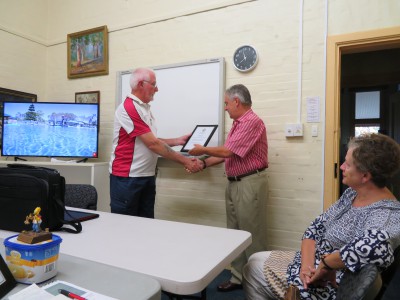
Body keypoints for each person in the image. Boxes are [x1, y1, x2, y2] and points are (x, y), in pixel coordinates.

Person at [242, 133, 400, 300]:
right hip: (315, 263)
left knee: (252, 269)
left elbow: (375, 246)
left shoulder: (388, 215)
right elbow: (314, 228)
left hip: (330, 285)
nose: (342, 167)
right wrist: (306, 266)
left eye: (348, 164)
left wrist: (326, 264)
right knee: (255, 258)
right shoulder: (352, 194)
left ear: (365, 176)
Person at [188, 84, 268, 292]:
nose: (225, 108)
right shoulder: (238, 123)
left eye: (226, 103)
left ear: (236, 102)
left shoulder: (252, 121)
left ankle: (258, 283)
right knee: (235, 234)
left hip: (249, 183)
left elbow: (227, 152)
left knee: (252, 234)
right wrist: (204, 163)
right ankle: (238, 277)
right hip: (234, 182)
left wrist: (201, 150)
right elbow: (226, 153)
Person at [109, 67, 202, 218]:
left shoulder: (144, 108)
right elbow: (152, 144)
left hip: (146, 176)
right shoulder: (129, 107)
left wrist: (177, 141)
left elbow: (149, 140)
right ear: (141, 84)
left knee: (146, 226)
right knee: (124, 228)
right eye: (154, 84)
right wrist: (186, 161)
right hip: (127, 178)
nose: (157, 89)